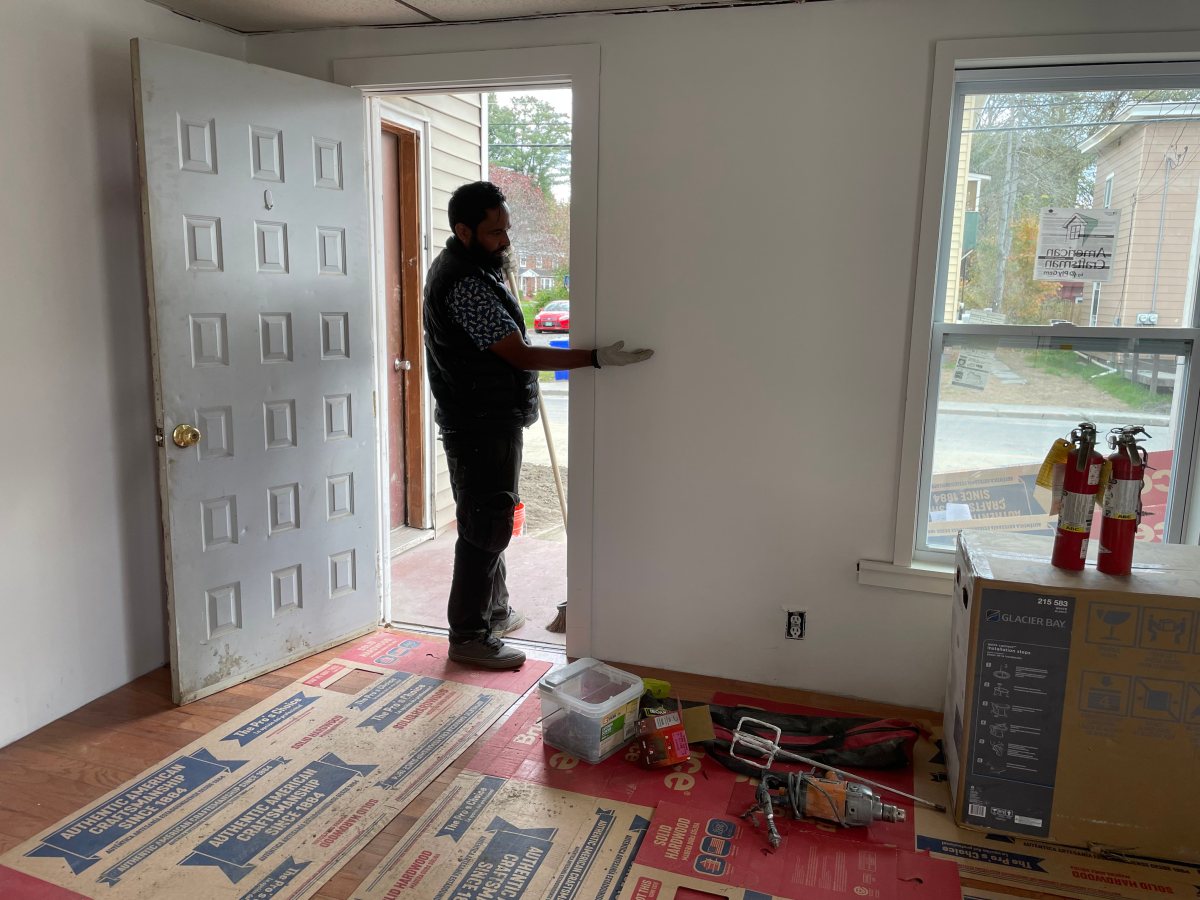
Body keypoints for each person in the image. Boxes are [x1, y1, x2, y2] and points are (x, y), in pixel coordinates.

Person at [424, 181, 654, 669]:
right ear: (463, 231)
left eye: (506, 230)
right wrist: (596, 358)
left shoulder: (475, 268)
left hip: (486, 419)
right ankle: (469, 635)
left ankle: (494, 610)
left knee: (492, 519)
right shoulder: (463, 284)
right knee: (485, 528)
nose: (505, 240)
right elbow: (521, 354)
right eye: (494, 233)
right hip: (480, 424)